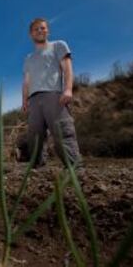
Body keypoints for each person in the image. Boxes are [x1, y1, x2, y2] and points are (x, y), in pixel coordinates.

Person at [22, 18, 82, 168]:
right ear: (31, 34)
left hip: (54, 95)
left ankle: (75, 169)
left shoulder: (58, 45)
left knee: (63, 132)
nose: (40, 31)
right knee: (34, 137)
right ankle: (37, 168)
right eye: (36, 29)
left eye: (42, 28)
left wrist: (68, 89)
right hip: (34, 100)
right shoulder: (28, 58)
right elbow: (26, 82)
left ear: (47, 30)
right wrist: (24, 100)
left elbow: (67, 68)